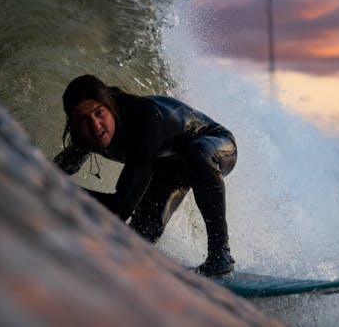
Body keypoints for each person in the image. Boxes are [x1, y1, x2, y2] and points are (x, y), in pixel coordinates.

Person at [53, 75, 237, 276]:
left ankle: (220, 254)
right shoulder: (84, 136)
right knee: (137, 240)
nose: (95, 126)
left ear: (110, 107)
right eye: (83, 119)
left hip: (214, 144)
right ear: (74, 123)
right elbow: (53, 173)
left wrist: (66, 192)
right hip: (169, 167)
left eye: (99, 113)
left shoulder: (144, 120)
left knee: (198, 152)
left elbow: (122, 207)